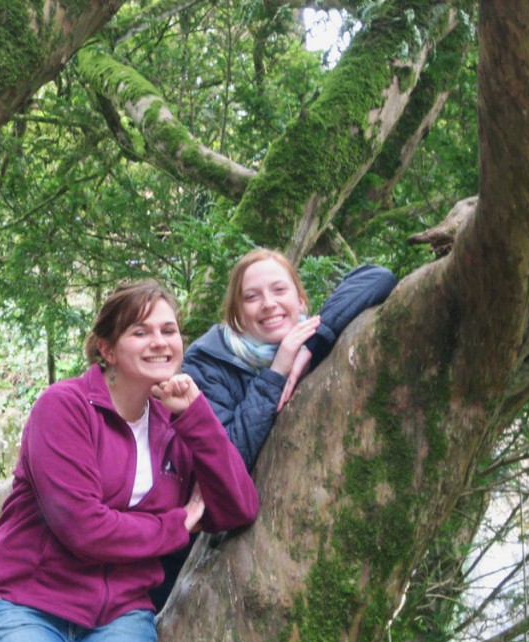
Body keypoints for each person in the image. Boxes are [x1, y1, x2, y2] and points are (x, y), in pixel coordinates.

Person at [0, 280, 259, 642]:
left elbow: (238, 508)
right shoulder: (63, 408)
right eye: (141, 332)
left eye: (169, 330)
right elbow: (82, 526)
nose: (160, 341)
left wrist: (198, 417)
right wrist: (175, 525)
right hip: (23, 608)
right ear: (107, 349)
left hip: (119, 620)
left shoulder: (175, 425)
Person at [151, 250, 396, 608]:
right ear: (237, 313)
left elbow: (378, 275)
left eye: (279, 290)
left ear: (300, 299)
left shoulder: (314, 339)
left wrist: (313, 341)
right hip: (198, 557)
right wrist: (276, 372)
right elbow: (228, 461)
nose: (268, 304)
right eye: (252, 297)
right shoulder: (205, 363)